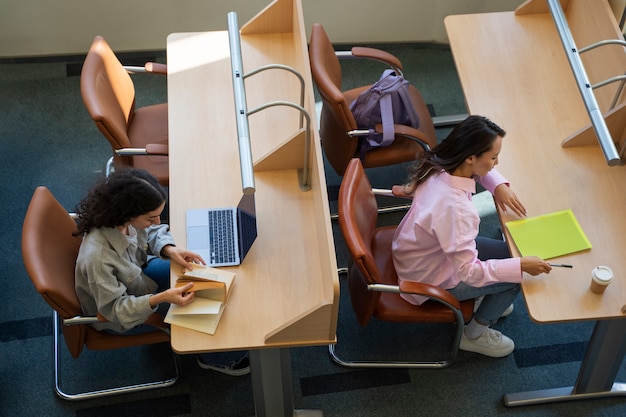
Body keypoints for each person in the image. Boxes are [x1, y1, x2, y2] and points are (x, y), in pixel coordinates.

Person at [392, 115, 552, 358]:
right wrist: (520, 266)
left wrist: (498, 185)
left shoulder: (440, 164)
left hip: (421, 251)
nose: (496, 164)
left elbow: (478, 170)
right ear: (471, 157)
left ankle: (487, 299)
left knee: (507, 253)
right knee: (514, 278)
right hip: (428, 277)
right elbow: (470, 272)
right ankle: (473, 335)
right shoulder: (458, 210)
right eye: (493, 157)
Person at [74, 168, 249, 375]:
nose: (158, 222)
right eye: (151, 217)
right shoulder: (99, 258)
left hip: (139, 276)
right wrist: (161, 298)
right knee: (206, 311)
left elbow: (150, 230)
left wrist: (169, 248)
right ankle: (218, 359)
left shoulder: (119, 218)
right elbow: (114, 311)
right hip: (125, 312)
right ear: (126, 212)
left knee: (205, 278)